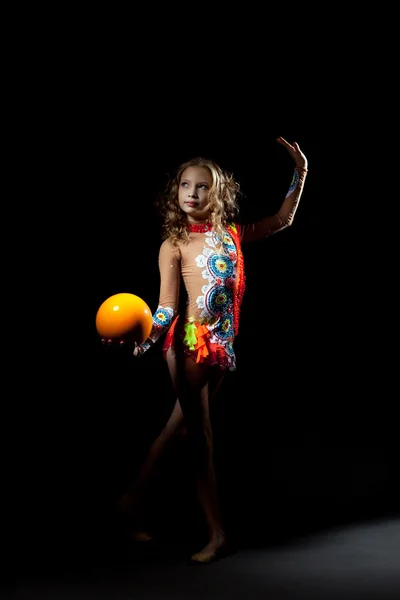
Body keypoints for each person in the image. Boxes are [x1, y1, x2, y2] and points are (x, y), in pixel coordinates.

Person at [108, 137, 308, 564]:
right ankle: (218, 534)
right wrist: (143, 342)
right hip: (188, 348)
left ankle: (129, 503)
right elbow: (164, 309)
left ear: (216, 194)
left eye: (201, 187)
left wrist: (301, 172)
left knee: (175, 431)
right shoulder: (174, 244)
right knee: (201, 438)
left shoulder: (231, 235)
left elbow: (282, 220)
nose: (191, 194)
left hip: (220, 349)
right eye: (184, 185)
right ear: (175, 191)